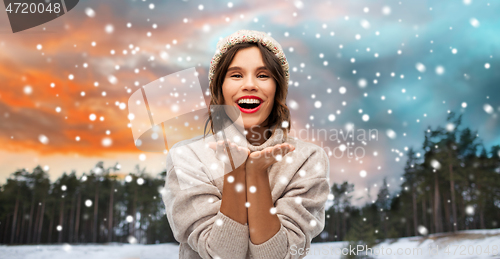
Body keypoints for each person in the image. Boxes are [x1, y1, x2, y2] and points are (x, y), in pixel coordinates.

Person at [162, 29, 330, 259]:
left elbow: (278, 256)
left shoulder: (308, 159)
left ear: (277, 88)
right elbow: (220, 254)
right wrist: (235, 173)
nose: (250, 85)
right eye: (236, 75)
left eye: (263, 75)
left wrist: (257, 175)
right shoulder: (187, 156)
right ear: (218, 88)